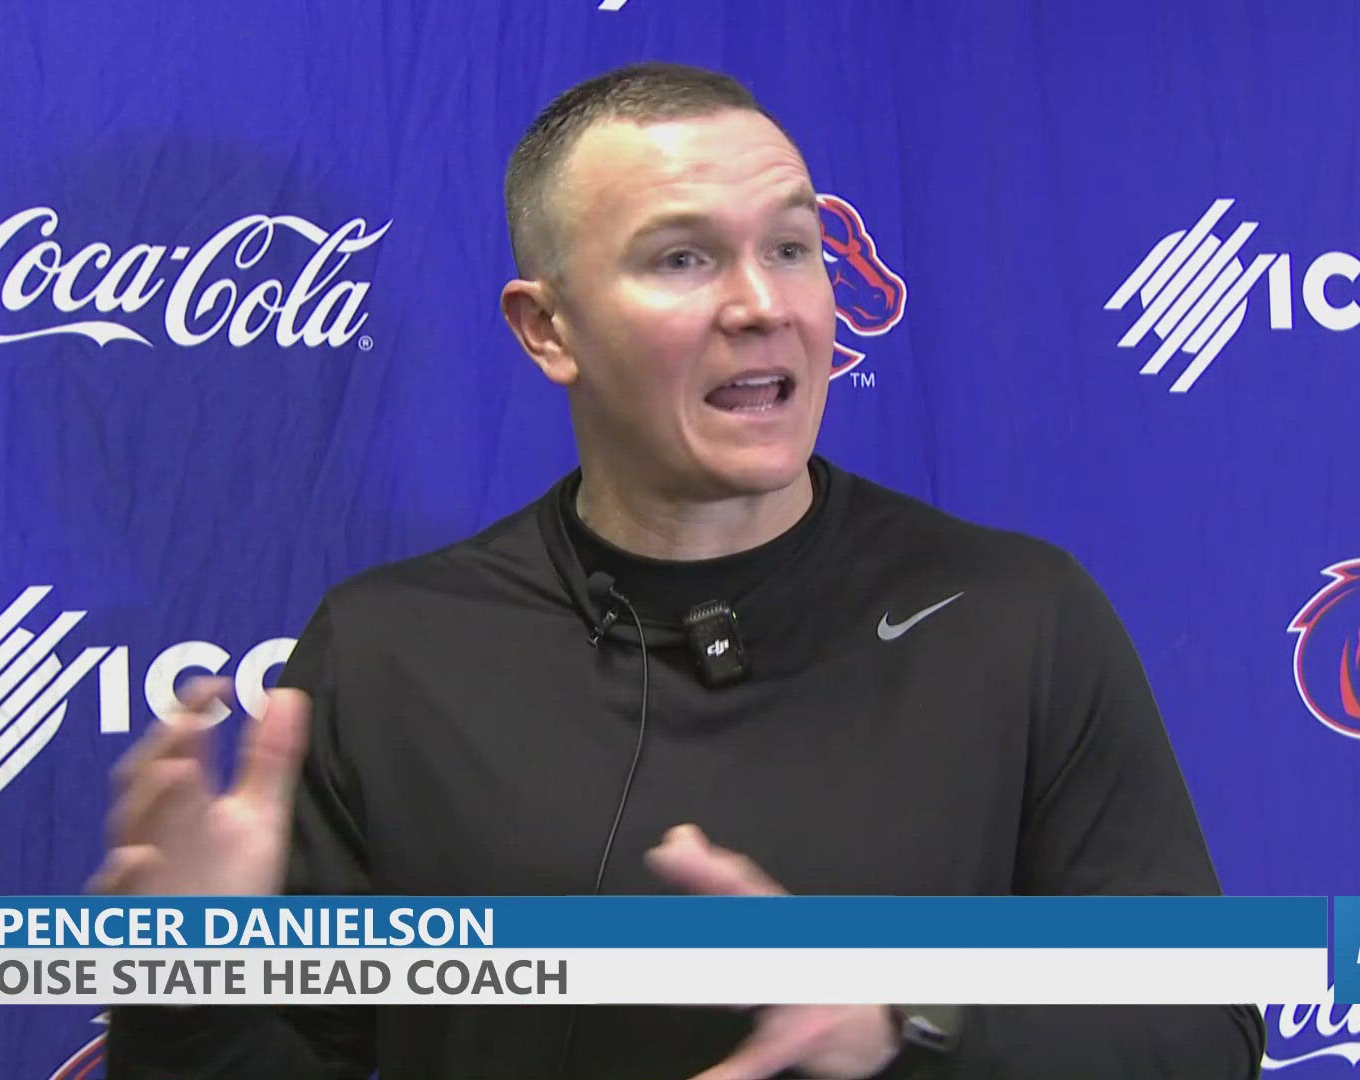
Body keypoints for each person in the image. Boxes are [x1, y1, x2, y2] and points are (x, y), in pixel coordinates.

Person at [98, 61, 1265, 1079]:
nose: (762, 306)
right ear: (546, 329)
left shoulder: (1017, 615)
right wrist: (191, 980)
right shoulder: (391, 649)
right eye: (683, 258)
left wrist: (907, 1021)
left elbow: (1200, 1032)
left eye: (794, 249)